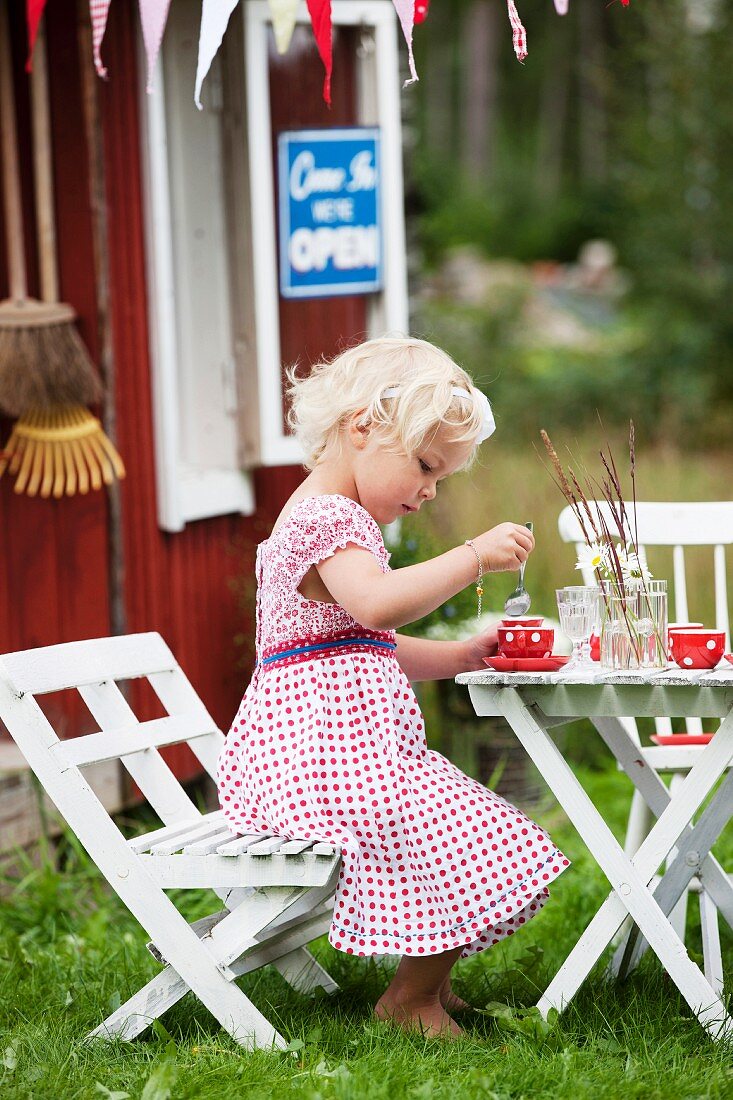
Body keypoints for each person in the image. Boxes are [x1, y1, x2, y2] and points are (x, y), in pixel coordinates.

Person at [217, 335, 569, 1038]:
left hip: (340, 758)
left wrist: (459, 654)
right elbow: (376, 607)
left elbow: (362, 645)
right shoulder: (326, 519)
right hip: (313, 766)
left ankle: (424, 983)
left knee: (462, 820)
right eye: (425, 466)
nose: (430, 490)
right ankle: (409, 998)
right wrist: (472, 557)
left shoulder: (332, 517)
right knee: (462, 827)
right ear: (362, 429)